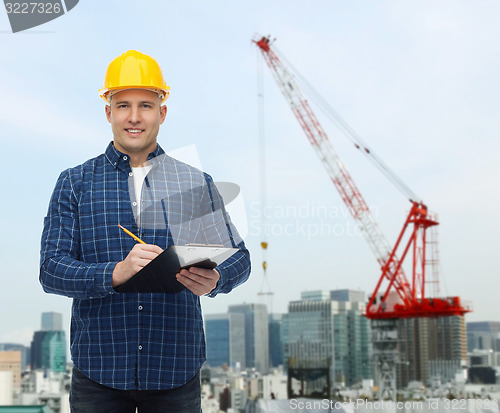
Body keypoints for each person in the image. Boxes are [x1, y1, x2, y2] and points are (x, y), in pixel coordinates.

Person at [39, 50, 251, 412]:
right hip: (98, 372)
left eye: (145, 106)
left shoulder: (193, 182)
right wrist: (116, 273)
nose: (134, 117)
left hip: (175, 372)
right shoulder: (75, 183)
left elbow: (239, 259)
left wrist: (216, 279)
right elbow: (51, 269)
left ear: (162, 112)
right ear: (108, 112)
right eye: (122, 105)